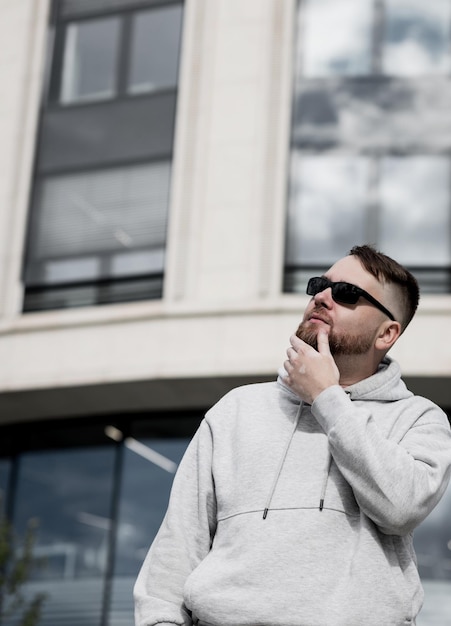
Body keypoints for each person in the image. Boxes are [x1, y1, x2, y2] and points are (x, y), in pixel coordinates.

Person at [134, 244, 451, 626]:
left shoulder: (419, 418)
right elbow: (178, 547)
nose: (321, 296)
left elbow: (402, 508)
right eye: (320, 284)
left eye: (346, 293)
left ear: (386, 333)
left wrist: (326, 398)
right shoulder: (235, 409)